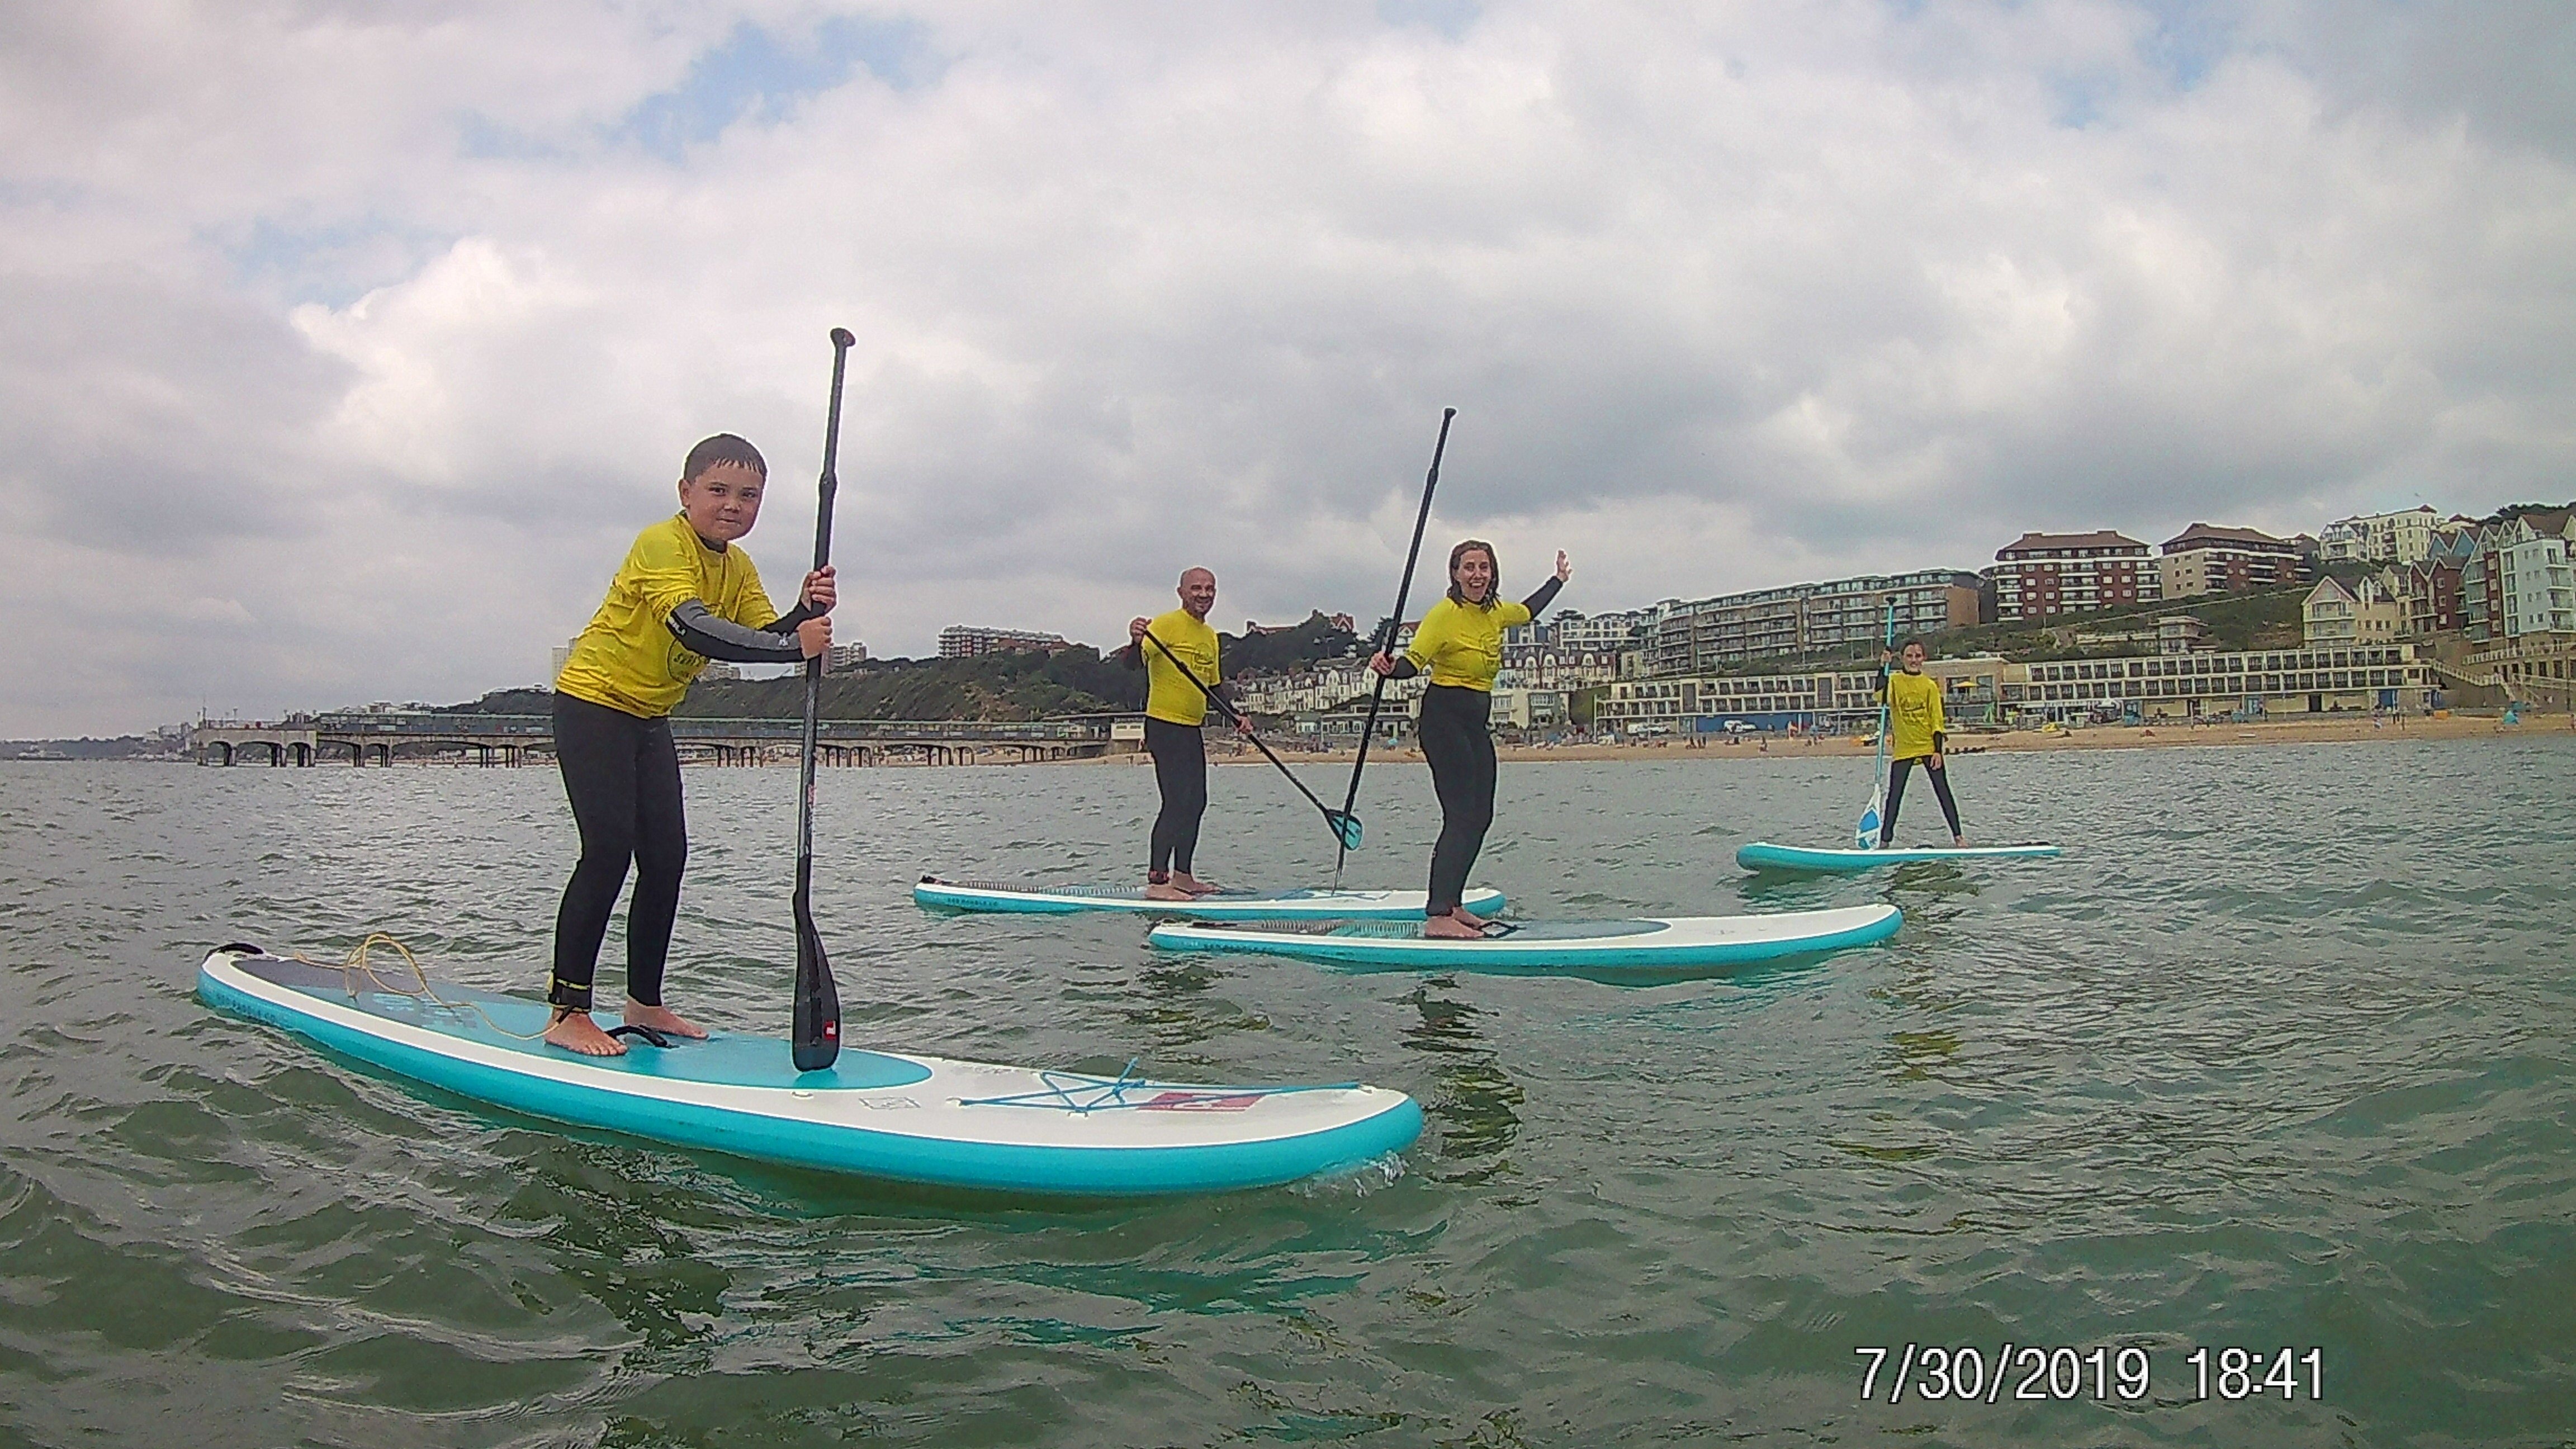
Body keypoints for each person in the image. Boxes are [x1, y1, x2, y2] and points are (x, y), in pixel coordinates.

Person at [546, 433, 835, 1055]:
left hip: (649, 717)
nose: (734, 505)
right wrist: (795, 644)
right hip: (592, 704)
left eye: (750, 496)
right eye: (719, 491)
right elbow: (697, 630)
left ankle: (645, 1003)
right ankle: (568, 1010)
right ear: (686, 493)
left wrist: (800, 611)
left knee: (667, 857)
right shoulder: (660, 544)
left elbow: (757, 633)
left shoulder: (737, 567)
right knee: (607, 852)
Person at [1369, 540, 1569, 939]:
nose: (1477, 575)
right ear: (1455, 574)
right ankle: (1438, 913)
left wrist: (1558, 580)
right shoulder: (1444, 615)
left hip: (1476, 721)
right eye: (1469, 568)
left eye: (1484, 567)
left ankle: (1455, 902)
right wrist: (1389, 668)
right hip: (1443, 719)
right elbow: (1413, 662)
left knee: (1481, 816)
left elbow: (1528, 611)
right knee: (1460, 816)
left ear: (1492, 573)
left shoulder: (1495, 612)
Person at [1125, 567, 1251, 901]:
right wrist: (1134, 639)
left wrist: (1234, 715)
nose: (1204, 594)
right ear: (1181, 592)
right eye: (1196, 588)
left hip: (1191, 727)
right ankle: (1157, 881)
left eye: (1210, 588)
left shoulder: (1210, 636)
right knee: (1176, 802)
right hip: (1164, 725)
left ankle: (1183, 876)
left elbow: (1213, 688)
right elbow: (1132, 664)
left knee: (1196, 802)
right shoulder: (1165, 625)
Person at [1877, 639, 1965, 848]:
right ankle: (1884, 842)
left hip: (1928, 746)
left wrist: (1938, 751)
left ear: (1924, 659)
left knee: (1943, 791)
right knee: (1894, 796)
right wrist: (1882, 668)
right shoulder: (1895, 681)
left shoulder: (1929, 686)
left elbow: (1937, 720)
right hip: (1904, 748)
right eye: (1909, 656)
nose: (1914, 660)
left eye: (1918, 656)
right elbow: (1880, 697)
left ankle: (1959, 838)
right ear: (1902, 658)